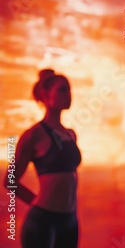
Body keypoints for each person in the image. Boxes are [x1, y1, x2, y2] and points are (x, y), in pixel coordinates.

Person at [3, 69, 81, 248]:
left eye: (69, 90)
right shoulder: (33, 135)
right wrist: (37, 203)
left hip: (70, 220)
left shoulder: (70, 134)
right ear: (46, 95)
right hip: (43, 222)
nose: (68, 94)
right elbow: (9, 180)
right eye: (62, 90)